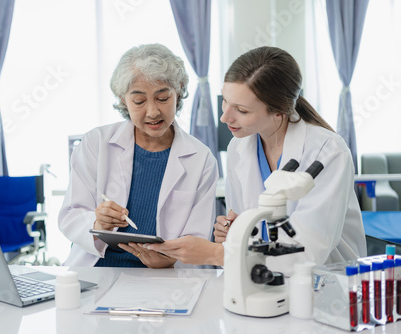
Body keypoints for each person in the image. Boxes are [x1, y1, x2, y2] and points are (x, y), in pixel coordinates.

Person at [143, 46, 367, 272]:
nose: (224, 117)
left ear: (279, 111)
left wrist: (216, 253)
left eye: (241, 110)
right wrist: (234, 231)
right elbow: (247, 231)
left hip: (326, 281)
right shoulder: (239, 146)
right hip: (263, 280)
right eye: (225, 101)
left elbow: (307, 251)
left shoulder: (327, 152)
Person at [58, 43, 219, 268]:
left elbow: (197, 238)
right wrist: (98, 223)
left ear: (179, 90)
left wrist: (168, 260)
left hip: (166, 279)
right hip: (98, 272)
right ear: (123, 100)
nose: (153, 112)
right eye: (139, 101)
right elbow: (70, 216)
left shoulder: (201, 159)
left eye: (162, 98)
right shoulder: (96, 143)